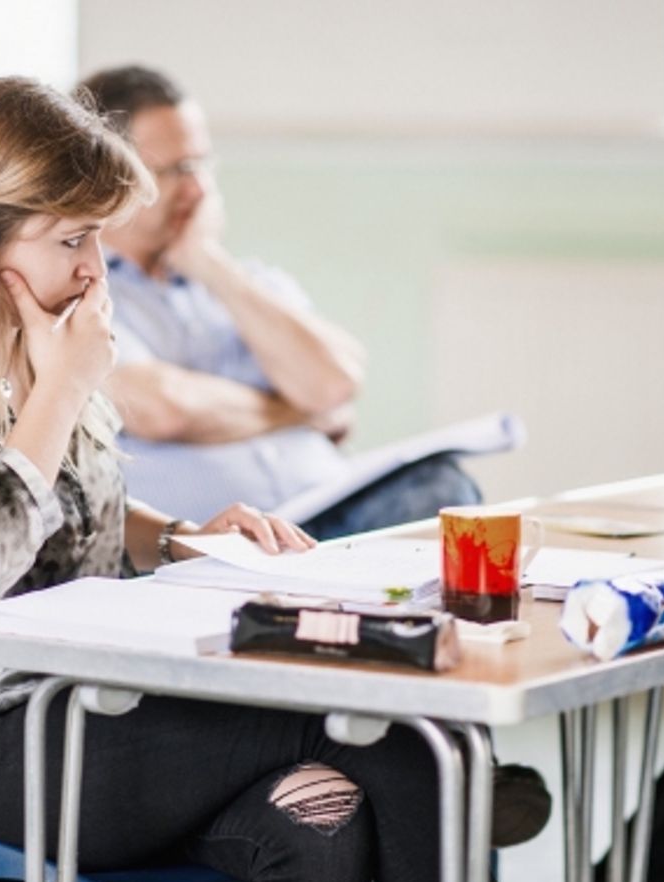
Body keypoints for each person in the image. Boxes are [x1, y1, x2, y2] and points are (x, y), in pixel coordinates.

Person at [0, 77, 524, 882]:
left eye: (98, 239)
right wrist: (61, 390)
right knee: (393, 734)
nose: (92, 267)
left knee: (323, 819)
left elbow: (80, 510)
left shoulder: (23, 342)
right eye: (73, 239)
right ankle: (466, 818)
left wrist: (184, 538)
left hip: (74, 707)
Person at [77, 65, 483, 540]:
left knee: (441, 484)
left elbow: (334, 384)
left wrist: (209, 263)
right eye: (177, 170)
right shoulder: (86, 287)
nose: (200, 188)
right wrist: (296, 412)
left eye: (203, 164)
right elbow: (162, 408)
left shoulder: (244, 280)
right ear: (110, 175)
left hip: (329, 509)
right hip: (218, 536)